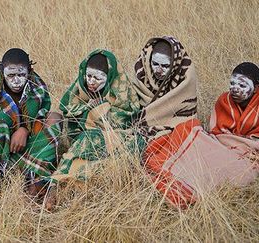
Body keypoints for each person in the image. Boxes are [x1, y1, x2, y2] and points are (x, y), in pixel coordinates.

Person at [133, 36, 258, 209]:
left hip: (182, 130)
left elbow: (188, 118)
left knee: (212, 158)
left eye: (165, 65)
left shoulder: (183, 81)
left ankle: (193, 184)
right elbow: (218, 131)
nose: (159, 70)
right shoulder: (140, 80)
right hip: (157, 134)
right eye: (155, 64)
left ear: (175, 64)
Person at [0, 48, 62, 213]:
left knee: (55, 117)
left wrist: (24, 128)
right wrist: (9, 126)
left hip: (25, 147)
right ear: (2, 72)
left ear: (29, 71)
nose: (16, 81)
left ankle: (34, 184)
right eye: (10, 76)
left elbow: (42, 115)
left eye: (21, 75)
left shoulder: (37, 87)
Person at [45, 49, 142, 210]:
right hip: (81, 137)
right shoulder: (81, 88)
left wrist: (101, 109)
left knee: (94, 145)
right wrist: (87, 108)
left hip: (114, 139)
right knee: (82, 137)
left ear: (109, 77)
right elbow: (67, 107)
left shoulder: (121, 90)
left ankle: (60, 183)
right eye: (88, 76)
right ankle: (59, 185)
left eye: (98, 78)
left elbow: (123, 120)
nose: (91, 81)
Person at [209, 62, 259, 156]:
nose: (235, 89)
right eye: (232, 83)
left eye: (242, 86)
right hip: (224, 146)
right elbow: (216, 134)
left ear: (256, 88)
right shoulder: (224, 100)